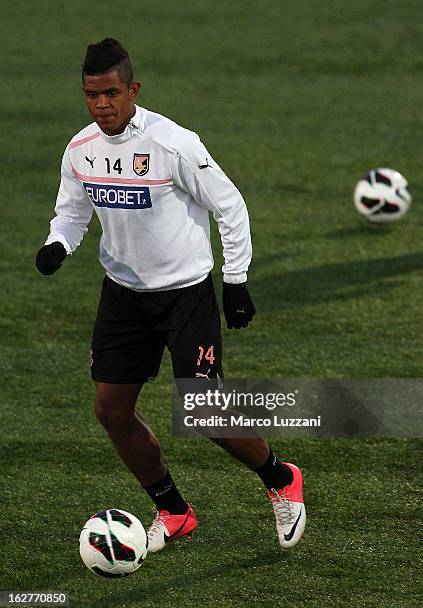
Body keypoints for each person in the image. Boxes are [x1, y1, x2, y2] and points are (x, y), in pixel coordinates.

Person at [36, 38, 306, 552]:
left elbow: (229, 205)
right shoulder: (79, 149)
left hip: (185, 295)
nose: (102, 106)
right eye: (92, 96)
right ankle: (173, 510)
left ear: (133, 89)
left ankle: (280, 479)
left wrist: (236, 280)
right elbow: (72, 212)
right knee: (111, 410)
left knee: (203, 411)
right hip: (122, 295)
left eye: (112, 93)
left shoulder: (173, 143)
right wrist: (57, 245)